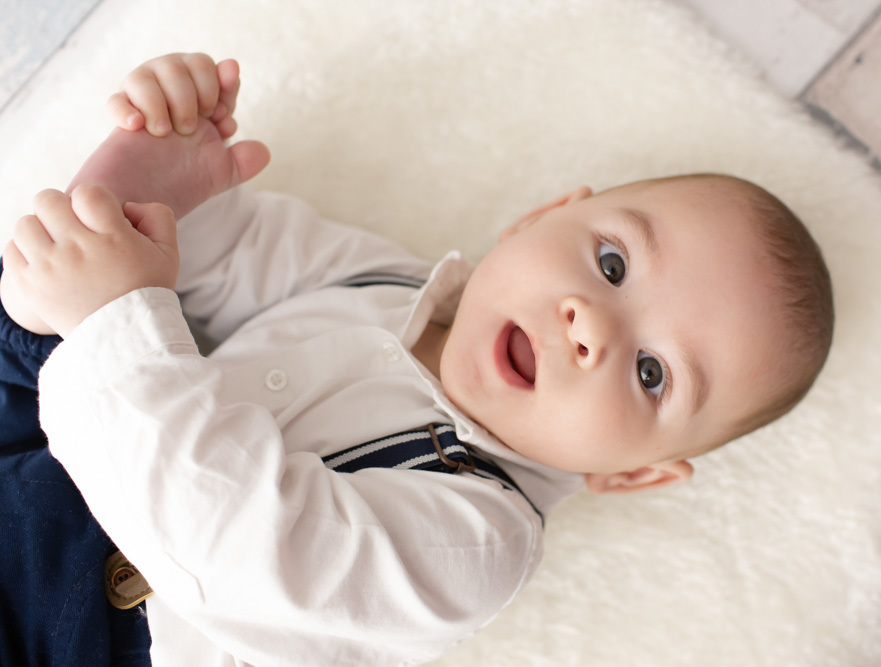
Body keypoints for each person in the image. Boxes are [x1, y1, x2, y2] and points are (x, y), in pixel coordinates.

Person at [0, 53, 834, 666]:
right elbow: (231, 265)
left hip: (94, 631)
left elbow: (248, 552)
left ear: (633, 473)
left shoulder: (480, 539)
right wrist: (172, 191)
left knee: (95, 325)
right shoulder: (388, 280)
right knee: (49, 311)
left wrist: (115, 315)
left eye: (652, 372)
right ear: (539, 218)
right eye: (611, 263)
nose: (590, 327)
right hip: (55, 451)